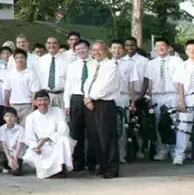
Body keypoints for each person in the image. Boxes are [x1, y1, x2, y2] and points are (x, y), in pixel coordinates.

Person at [83, 41, 121, 179]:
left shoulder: (111, 66)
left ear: (106, 51)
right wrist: (87, 97)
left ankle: (111, 168)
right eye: (93, 50)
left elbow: (107, 86)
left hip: (104, 103)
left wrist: (91, 97)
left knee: (107, 137)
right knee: (94, 137)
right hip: (91, 103)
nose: (96, 52)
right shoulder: (93, 65)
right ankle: (101, 165)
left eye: (99, 50)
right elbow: (88, 83)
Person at [145, 39, 184, 161]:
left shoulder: (177, 61)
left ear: (169, 48)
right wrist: (149, 98)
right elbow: (149, 83)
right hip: (157, 96)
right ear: (154, 49)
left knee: (174, 123)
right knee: (158, 123)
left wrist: (182, 99)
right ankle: (161, 149)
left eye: (163, 45)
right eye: (157, 46)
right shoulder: (151, 64)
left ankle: (174, 150)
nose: (160, 48)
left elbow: (181, 80)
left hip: (173, 95)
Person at [22, 90, 74, 179]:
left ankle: (61, 167)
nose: (42, 103)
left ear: (49, 101)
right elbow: (29, 138)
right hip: (41, 146)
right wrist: (36, 147)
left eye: (45, 100)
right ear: (35, 102)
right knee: (29, 155)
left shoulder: (58, 111)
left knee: (64, 140)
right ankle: (50, 170)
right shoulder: (30, 117)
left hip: (56, 143)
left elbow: (64, 130)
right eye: (39, 100)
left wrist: (47, 138)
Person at [62, 39, 93, 173]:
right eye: (78, 49)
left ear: (89, 49)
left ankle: (93, 162)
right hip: (76, 98)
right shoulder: (73, 66)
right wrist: (67, 103)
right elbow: (68, 85)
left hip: (91, 98)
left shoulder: (95, 64)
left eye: (83, 48)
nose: (81, 51)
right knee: (76, 132)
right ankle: (78, 162)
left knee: (92, 132)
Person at [5, 50, 41, 124]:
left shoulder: (31, 73)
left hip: (27, 105)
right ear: (14, 59)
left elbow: (34, 91)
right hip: (13, 104)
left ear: (25, 59)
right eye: (17, 58)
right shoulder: (10, 73)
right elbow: (7, 90)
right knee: (13, 128)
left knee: (26, 129)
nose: (19, 59)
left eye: (22, 57)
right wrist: (6, 105)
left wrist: (33, 107)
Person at [36, 38, 69, 109]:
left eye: (54, 43)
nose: (52, 45)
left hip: (62, 95)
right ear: (46, 45)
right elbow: (38, 79)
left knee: (63, 119)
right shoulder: (41, 60)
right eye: (49, 43)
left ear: (59, 45)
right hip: (46, 96)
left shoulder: (67, 59)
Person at [0, 108, 25, 175]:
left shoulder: (21, 129)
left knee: (16, 172)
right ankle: (7, 166)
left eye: (12, 116)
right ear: (4, 118)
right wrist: (9, 159)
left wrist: (15, 159)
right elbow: (4, 144)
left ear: (15, 118)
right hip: (7, 153)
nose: (9, 118)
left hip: (17, 154)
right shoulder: (1, 129)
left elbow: (19, 144)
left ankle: (13, 166)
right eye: (7, 116)